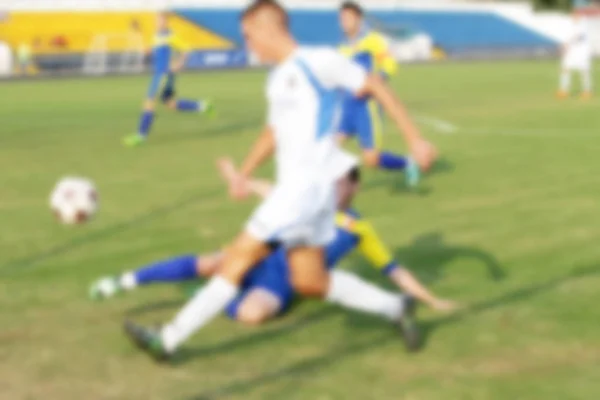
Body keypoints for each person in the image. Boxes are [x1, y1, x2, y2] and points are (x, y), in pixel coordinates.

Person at [123, 0, 437, 361]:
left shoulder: (317, 61)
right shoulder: (275, 80)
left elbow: (376, 86)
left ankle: (168, 339)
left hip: (305, 189)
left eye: (248, 34)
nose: (247, 43)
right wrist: (244, 172)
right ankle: (396, 307)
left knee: (238, 258)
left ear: (267, 27)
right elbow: (271, 133)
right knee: (310, 281)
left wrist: (414, 139)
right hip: (311, 195)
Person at [90, 159, 456, 326]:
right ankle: (122, 281)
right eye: (333, 180)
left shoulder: (361, 229)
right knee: (211, 261)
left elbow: (394, 270)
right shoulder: (309, 200)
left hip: (282, 284)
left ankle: (213, 298)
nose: (336, 187)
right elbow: (267, 190)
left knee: (252, 315)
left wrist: (432, 300)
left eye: (344, 182)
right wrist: (237, 176)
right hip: (260, 258)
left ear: (356, 187)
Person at [337, 1, 424, 187]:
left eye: (348, 18)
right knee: (327, 148)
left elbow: (390, 64)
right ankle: (331, 190)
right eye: (342, 18)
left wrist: (376, 82)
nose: (344, 22)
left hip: (367, 108)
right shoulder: (342, 48)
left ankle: (408, 163)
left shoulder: (373, 40)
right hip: (347, 108)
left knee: (371, 159)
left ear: (358, 19)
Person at [123, 12, 214, 147]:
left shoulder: (170, 36)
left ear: (165, 22)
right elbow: (149, 52)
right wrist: (140, 31)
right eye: (156, 21)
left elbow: (187, 49)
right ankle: (202, 106)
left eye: (159, 21)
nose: (157, 23)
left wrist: (179, 63)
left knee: (149, 102)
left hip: (163, 74)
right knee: (170, 104)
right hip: (162, 75)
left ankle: (140, 135)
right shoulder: (156, 36)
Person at [558, 10, 593, 99]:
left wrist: (566, 44)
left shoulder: (583, 25)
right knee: (565, 69)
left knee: (584, 71)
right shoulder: (571, 25)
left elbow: (578, 36)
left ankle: (587, 91)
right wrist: (564, 46)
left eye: (576, 15)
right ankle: (564, 90)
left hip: (582, 53)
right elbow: (568, 37)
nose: (574, 17)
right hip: (571, 53)